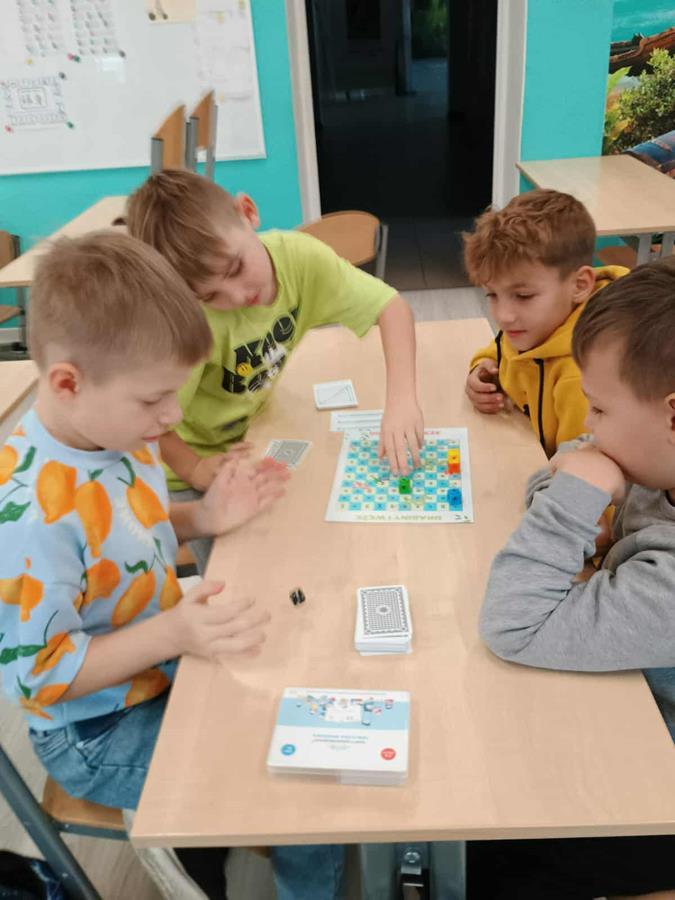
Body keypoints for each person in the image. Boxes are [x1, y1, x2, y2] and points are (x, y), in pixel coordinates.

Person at [0, 231, 344, 900]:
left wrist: (204, 517)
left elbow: (129, 526)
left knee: (307, 673)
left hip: (159, 664)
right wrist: (173, 633)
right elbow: (42, 676)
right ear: (68, 383)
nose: (175, 414)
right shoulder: (31, 521)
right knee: (304, 776)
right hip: (96, 731)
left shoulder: (114, 430)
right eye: (155, 398)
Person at [476, 259, 675, 900]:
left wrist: (573, 505)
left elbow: (514, 626)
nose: (587, 426)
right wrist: (577, 495)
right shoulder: (655, 465)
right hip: (634, 713)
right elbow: (569, 464)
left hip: (658, 795)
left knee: (490, 848)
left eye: (600, 407)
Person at [126, 168, 423, 571]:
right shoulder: (184, 325)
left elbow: (392, 307)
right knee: (238, 575)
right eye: (210, 295)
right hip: (185, 466)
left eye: (234, 268)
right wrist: (193, 468)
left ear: (248, 212)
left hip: (254, 436)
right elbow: (144, 420)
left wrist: (402, 401)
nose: (237, 296)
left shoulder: (299, 259)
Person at [463, 188, 628, 456]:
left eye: (523, 296)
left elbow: (580, 470)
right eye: (492, 295)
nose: (503, 316)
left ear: (579, 285)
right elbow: (503, 346)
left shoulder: (581, 380)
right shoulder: (536, 325)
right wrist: (482, 366)